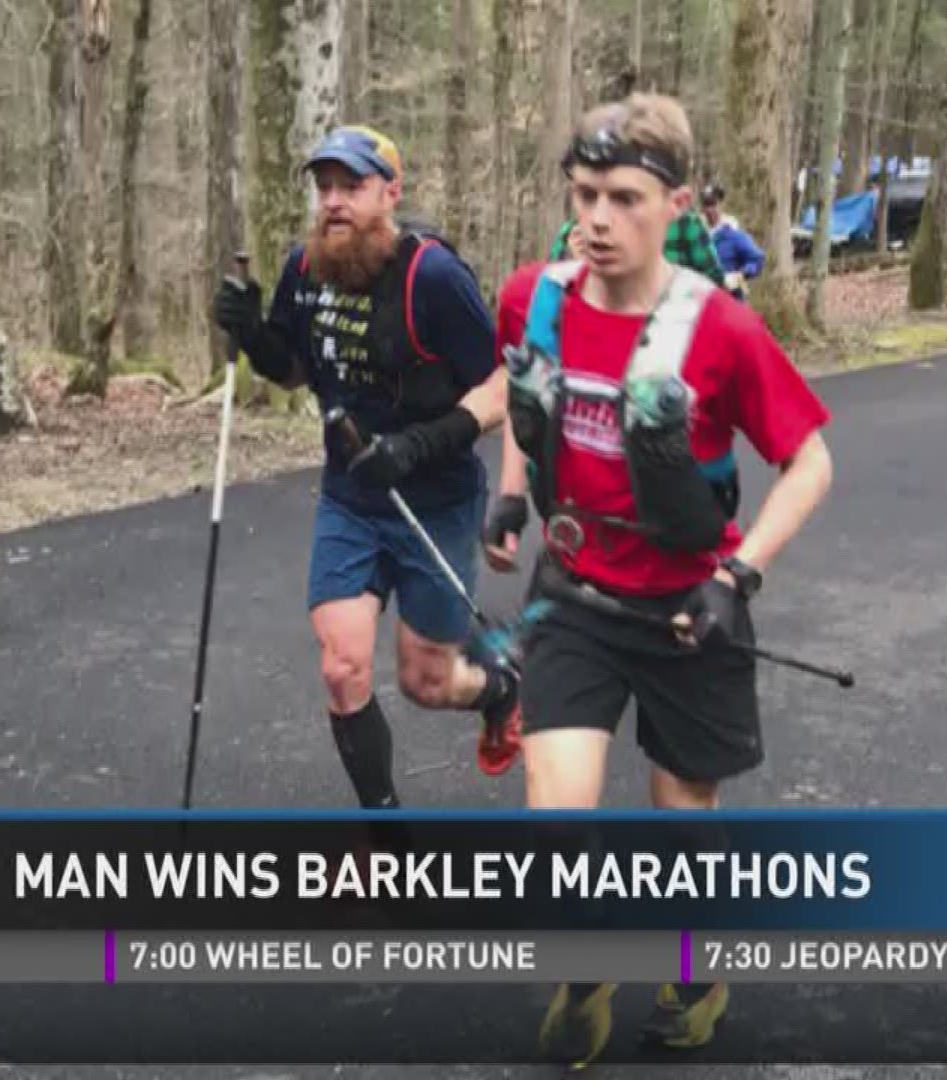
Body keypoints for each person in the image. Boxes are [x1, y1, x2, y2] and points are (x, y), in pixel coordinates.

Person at [483, 93, 835, 1068]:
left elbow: (810, 464)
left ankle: (694, 971)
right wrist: (513, 497)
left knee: (685, 822)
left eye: (623, 198)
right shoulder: (533, 297)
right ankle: (588, 968)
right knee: (559, 815)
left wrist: (739, 576)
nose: (597, 218)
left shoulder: (720, 330)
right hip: (576, 598)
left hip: (690, 610)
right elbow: (529, 403)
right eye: (584, 193)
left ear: (675, 202)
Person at [211, 125, 521, 811]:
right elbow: (294, 369)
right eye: (324, 187)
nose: (334, 201)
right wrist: (254, 334)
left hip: (433, 502)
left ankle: (499, 689)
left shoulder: (432, 277)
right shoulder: (305, 268)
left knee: (426, 680)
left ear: (390, 192)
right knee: (342, 665)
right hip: (352, 501)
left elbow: (500, 387)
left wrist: (415, 447)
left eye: (351, 186)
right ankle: (383, 829)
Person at [548, 206, 725, 280]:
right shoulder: (573, 231)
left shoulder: (684, 224)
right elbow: (550, 290)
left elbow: (714, 286)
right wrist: (577, 263)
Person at [698, 182, 765, 299]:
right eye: (706, 205)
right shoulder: (696, 234)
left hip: (729, 301)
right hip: (702, 300)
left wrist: (739, 276)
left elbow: (757, 259)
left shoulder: (734, 235)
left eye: (713, 204)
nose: (709, 210)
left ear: (720, 205)